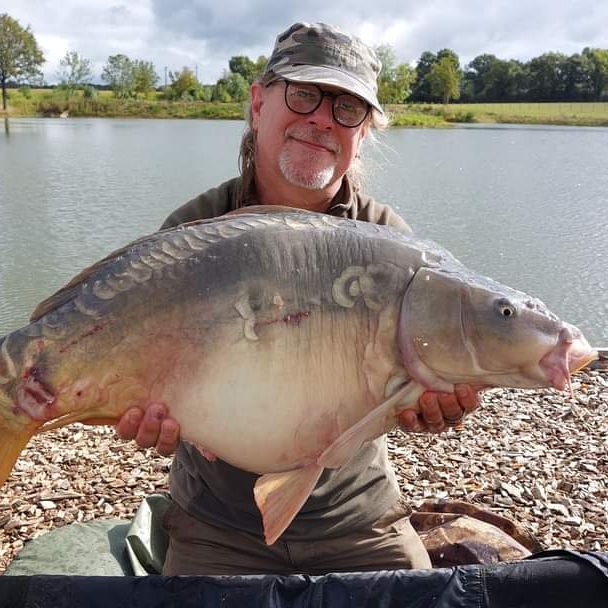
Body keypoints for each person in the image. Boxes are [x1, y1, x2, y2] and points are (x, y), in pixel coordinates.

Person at [116, 22, 481, 575]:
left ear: (364, 132)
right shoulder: (194, 234)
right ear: (258, 103)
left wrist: (432, 403)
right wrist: (144, 409)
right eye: (305, 94)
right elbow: (139, 367)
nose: (322, 120)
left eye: (347, 108)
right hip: (217, 527)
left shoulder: (392, 246)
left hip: (357, 520)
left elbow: (414, 383)